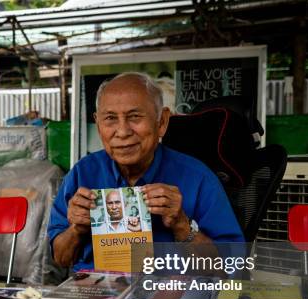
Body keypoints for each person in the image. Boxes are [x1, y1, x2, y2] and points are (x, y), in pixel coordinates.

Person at [48, 72, 244, 271]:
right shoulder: (83, 174)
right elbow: (61, 259)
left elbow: (230, 266)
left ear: (162, 122)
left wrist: (182, 227)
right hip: (97, 293)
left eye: (134, 117)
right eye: (110, 118)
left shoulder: (198, 178)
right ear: (99, 126)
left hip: (168, 293)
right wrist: (77, 229)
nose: (123, 132)